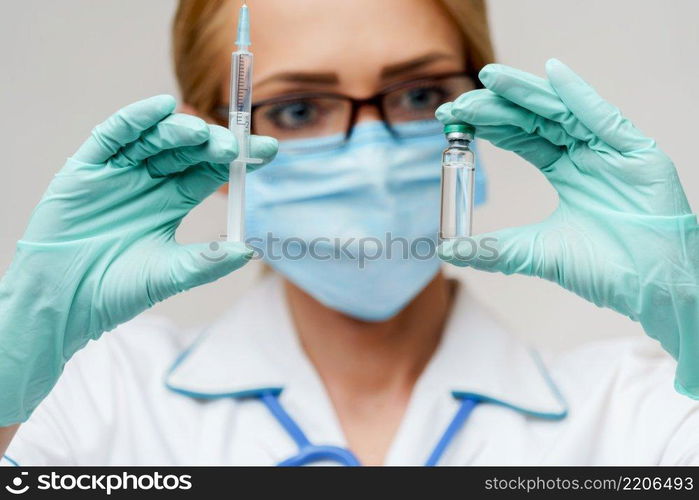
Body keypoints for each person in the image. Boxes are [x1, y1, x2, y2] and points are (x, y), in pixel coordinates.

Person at [1, 0, 698, 466]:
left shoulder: (644, 415)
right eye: (300, 108)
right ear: (207, 141)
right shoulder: (90, 402)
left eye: (419, 94)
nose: (370, 154)